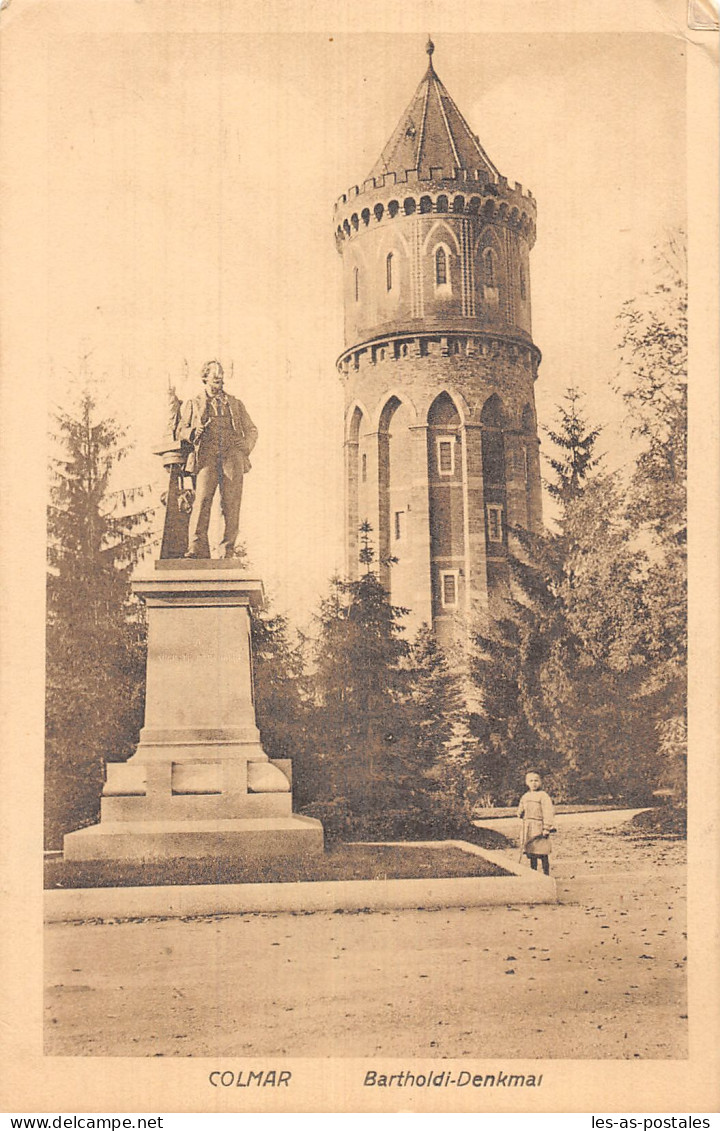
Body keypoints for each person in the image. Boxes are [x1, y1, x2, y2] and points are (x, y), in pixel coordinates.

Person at [177, 360, 258, 559]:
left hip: (232, 457)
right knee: (202, 501)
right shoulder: (194, 403)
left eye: (221, 376)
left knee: (231, 504)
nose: (219, 380)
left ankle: (227, 551)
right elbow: (180, 431)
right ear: (205, 378)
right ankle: (196, 548)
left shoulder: (235, 404)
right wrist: (193, 432)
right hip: (206, 456)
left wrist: (245, 445)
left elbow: (252, 430)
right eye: (215, 377)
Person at [517, 770, 554, 875]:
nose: (534, 783)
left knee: (542, 852)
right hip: (529, 827)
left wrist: (546, 827)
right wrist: (520, 812)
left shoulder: (543, 796)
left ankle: (546, 873)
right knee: (531, 852)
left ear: (540, 782)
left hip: (539, 826)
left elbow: (548, 812)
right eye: (531, 781)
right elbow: (520, 809)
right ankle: (534, 873)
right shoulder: (525, 796)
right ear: (526, 782)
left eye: (536, 780)